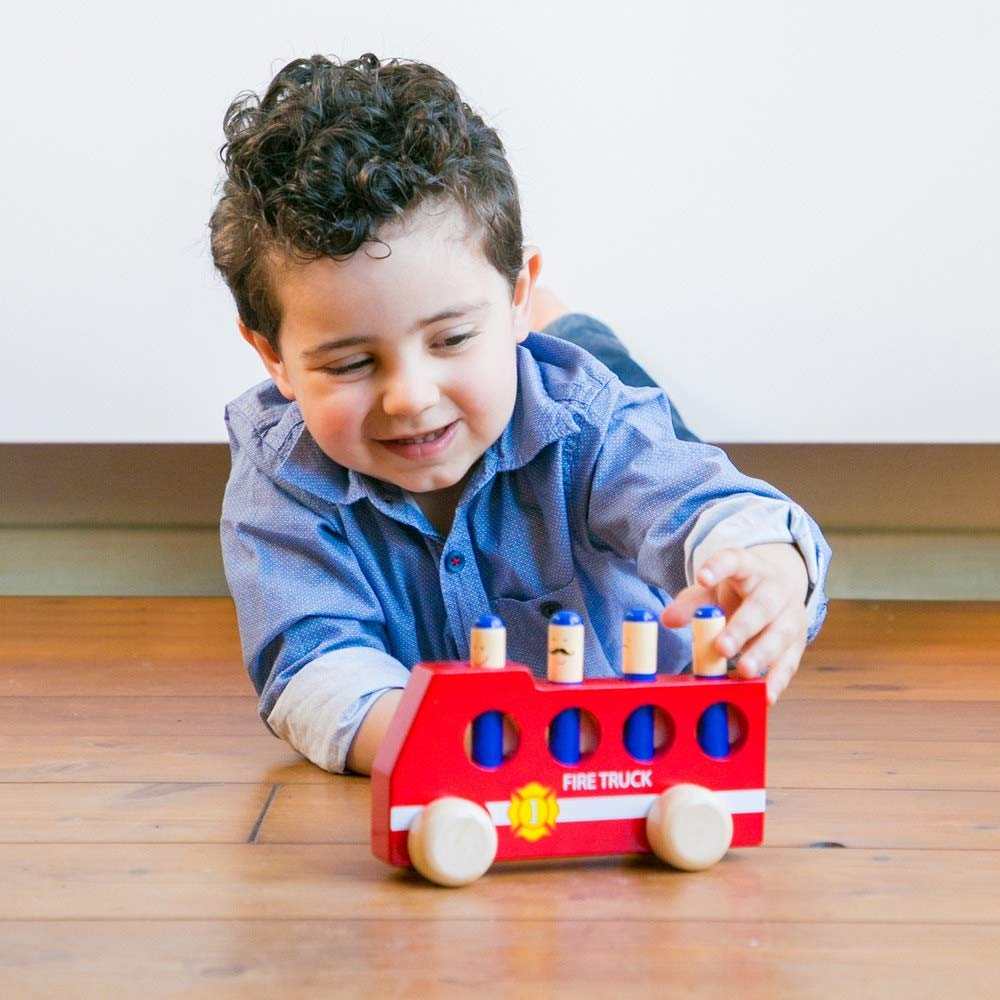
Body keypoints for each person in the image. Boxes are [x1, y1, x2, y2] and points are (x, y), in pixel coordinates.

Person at [209, 53, 832, 776]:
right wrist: (472, 744)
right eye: (350, 363)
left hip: (563, 391)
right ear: (273, 357)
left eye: (451, 338)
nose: (410, 398)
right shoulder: (277, 479)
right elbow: (314, 670)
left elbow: (700, 499)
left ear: (513, 299)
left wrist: (767, 567)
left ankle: (564, 326)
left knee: (616, 387)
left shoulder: (586, 418)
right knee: (560, 371)